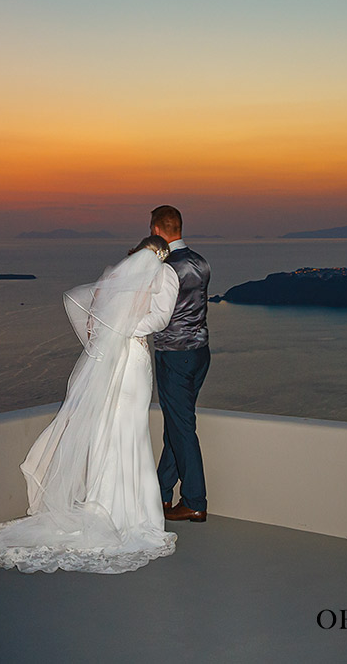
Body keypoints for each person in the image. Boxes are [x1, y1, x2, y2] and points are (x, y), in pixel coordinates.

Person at [0, 236, 180, 573]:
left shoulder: (113, 277)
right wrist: (128, 328)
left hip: (113, 358)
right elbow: (158, 320)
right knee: (131, 433)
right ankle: (134, 516)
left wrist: (102, 339)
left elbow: (76, 302)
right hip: (134, 361)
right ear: (160, 256)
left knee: (107, 433)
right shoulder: (159, 277)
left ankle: (103, 506)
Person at [149, 205, 212, 523]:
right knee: (176, 426)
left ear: (156, 230)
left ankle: (194, 501)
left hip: (175, 355)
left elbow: (159, 315)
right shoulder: (201, 261)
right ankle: (159, 495)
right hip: (201, 353)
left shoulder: (164, 268)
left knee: (182, 429)